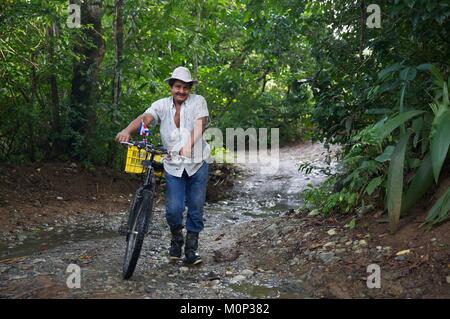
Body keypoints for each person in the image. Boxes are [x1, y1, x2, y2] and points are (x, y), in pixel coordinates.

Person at [115, 66, 211, 265]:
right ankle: (176, 237)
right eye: (178, 87)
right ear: (171, 87)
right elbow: (146, 118)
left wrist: (187, 145)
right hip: (173, 164)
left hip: (198, 162)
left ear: (190, 89)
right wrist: (129, 130)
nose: (181, 91)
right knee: (174, 210)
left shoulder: (198, 102)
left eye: (185, 87)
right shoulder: (161, 105)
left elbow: (200, 124)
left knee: (195, 207)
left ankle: (191, 250)